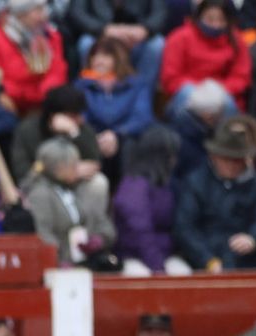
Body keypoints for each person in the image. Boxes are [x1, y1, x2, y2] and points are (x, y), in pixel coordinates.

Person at [173, 114, 256, 271]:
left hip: (248, 263)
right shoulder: (196, 182)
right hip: (205, 262)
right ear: (214, 157)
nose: (233, 165)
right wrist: (208, 260)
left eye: (238, 159)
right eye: (227, 159)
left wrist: (253, 238)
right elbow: (185, 228)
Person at [22, 136, 117, 266]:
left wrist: (100, 238)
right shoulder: (40, 194)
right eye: (74, 164)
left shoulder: (74, 187)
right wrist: (60, 261)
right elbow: (44, 236)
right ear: (60, 168)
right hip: (60, 268)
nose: (78, 168)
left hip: (85, 261)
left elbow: (100, 220)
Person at [113, 124, 190, 274]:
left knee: (183, 275)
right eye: (171, 155)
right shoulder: (134, 185)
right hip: (133, 256)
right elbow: (140, 231)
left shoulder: (164, 183)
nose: (175, 160)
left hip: (164, 254)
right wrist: (157, 266)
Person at [160, 0, 252, 113]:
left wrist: (219, 90)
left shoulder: (236, 40)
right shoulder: (179, 38)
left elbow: (241, 76)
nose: (216, 25)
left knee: (229, 106)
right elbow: (170, 77)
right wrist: (199, 91)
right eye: (210, 19)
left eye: (221, 20)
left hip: (223, 95)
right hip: (188, 93)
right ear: (199, 17)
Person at [0, 0, 68, 116]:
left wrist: (43, 94)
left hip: (47, 102)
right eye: (37, 10)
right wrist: (25, 94)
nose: (43, 16)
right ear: (21, 14)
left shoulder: (51, 36)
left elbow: (58, 70)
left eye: (43, 9)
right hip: (12, 106)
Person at [76, 37, 155, 153]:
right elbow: (80, 117)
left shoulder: (136, 84)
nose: (99, 60)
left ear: (119, 59)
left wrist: (117, 134)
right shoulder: (81, 86)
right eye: (95, 56)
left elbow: (142, 117)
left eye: (106, 56)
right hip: (94, 140)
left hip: (126, 139)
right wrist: (96, 137)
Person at [64, 0, 166, 86]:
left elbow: (160, 12)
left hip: (136, 37)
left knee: (156, 45)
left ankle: (142, 94)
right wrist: (103, 30)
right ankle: (92, 93)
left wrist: (145, 29)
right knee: (85, 43)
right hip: (100, 34)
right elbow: (77, 13)